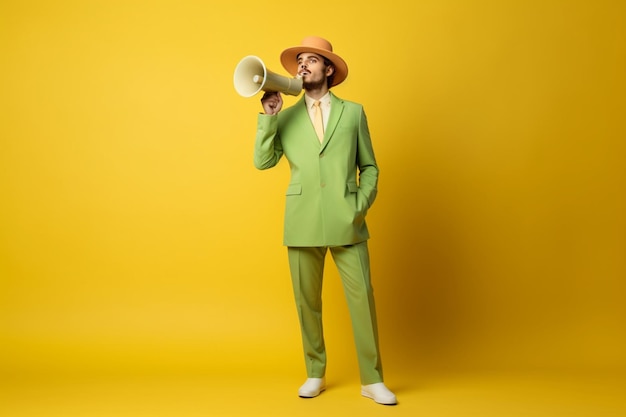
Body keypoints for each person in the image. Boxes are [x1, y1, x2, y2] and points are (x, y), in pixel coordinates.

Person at [253, 36, 397, 405]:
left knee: (362, 297)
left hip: (347, 220)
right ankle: (315, 372)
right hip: (301, 222)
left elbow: (370, 167)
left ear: (328, 69)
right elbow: (263, 162)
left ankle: (372, 379)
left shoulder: (353, 112)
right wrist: (268, 118)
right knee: (307, 303)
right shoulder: (284, 117)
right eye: (298, 60)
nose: (302, 65)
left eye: (311, 60)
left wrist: (358, 206)